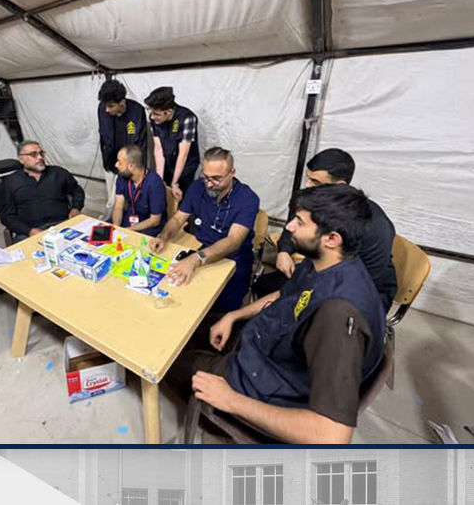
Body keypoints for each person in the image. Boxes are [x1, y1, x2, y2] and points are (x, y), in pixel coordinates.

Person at [164, 184, 386, 443]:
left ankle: (215, 417)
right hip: (262, 344)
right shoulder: (323, 262)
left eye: (299, 222)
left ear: (332, 239)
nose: (289, 227)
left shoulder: (338, 316)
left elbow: (331, 436)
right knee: (186, 327)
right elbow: (284, 296)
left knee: (168, 359)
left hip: (260, 385)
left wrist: (231, 400)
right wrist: (233, 316)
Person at [254, 148, 398, 309]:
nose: (308, 185)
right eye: (308, 179)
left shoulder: (373, 223)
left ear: (340, 185)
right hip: (321, 270)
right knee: (263, 285)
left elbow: (368, 277)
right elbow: (292, 227)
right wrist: (284, 252)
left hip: (363, 291)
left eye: (316, 182)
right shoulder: (317, 201)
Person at [149, 147, 259, 315]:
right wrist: (163, 236)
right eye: (206, 176)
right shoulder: (197, 188)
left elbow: (233, 241)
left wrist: (194, 260)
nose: (209, 183)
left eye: (216, 178)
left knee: (216, 310)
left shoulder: (248, 199)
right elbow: (178, 219)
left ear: (232, 173)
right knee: (176, 292)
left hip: (233, 260)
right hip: (201, 251)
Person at [0, 140, 85, 242]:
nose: (40, 157)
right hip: (30, 232)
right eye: (33, 154)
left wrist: (75, 208)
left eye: (41, 153)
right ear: (21, 159)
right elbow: (6, 216)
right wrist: (29, 231)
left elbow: (77, 191)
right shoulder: (9, 183)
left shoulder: (58, 173)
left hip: (64, 225)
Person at [98, 79, 148, 218]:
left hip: (128, 163)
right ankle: (114, 221)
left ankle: (110, 222)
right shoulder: (102, 109)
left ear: (122, 102)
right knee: (113, 197)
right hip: (109, 161)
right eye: (105, 106)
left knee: (117, 200)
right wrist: (107, 160)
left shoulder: (137, 111)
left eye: (111, 106)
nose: (107, 110)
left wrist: (139, 168)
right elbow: (104, 136)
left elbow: (141, 143)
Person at [145, 86, 200, 203]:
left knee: (181, 197)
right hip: (168, 161)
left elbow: (183, 155)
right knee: (163, 194)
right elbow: (158, 149)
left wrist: (175, 183)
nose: (152, 117)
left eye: (156, 114)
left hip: (185, 165)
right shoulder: (154, 119)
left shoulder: (187, 118)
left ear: (169, 112)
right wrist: (159, 179)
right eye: (151, 112)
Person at [111, 145, 166, 237]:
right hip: (129, 219)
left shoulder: (155, 183)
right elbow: (118, 206)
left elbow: (154, 220)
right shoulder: (122, 176)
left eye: (120, 163)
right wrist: (116, 228)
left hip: (147, 225)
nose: (116, 165)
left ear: (131, 166)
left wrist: (127, 231)